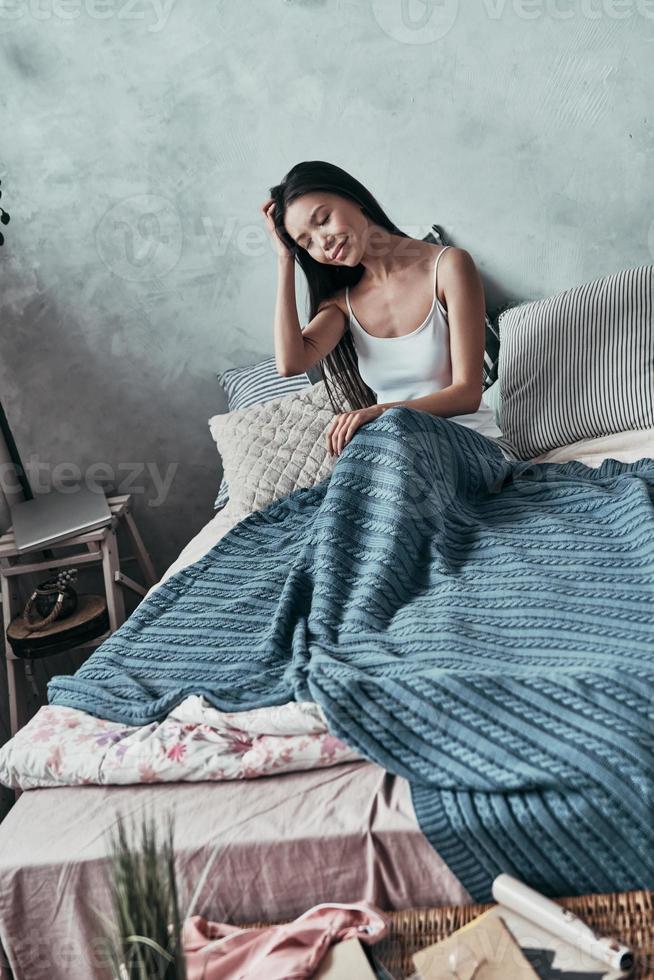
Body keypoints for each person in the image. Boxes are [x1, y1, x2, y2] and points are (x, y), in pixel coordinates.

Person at [261, 160, 502, 458]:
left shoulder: (448, 267)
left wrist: (379, 412)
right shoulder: (341, 304)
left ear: (354, 198)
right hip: (398, 453)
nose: (323, 242)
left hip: (469, 447)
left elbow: (467, 394)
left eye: (323, 219)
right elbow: (290, 363)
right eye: (306, 242)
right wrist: (285, 259)